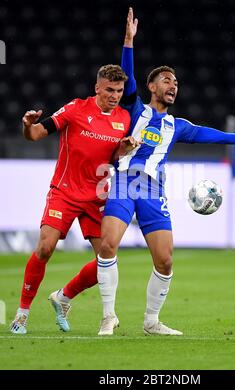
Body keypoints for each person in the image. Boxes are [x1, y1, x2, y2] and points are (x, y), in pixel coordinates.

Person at [52, 7, 235, 336]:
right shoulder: (134, 106)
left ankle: (151, 322)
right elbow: (128, 73)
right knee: (108, 247)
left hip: (152, 191)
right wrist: (128, 41)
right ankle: (108, 316)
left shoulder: (179, 126)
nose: (173, 85)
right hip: (121, 182)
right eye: (166, 80)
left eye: (176, 82)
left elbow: (218, 135)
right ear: (151, 86)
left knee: (165, 261)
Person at [10, 64, 140, 334]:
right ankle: (22, 314)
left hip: (97, 197)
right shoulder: (76, 109)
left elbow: (114, 157)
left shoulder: (124, 119)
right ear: (97, 88)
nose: (114, 95)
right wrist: (27, 126)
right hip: (65, 191)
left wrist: (123, 150)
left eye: (118, 91)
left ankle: (63, 296)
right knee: (45, 248)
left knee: (106, 259)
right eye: (109, 90)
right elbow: (35, 134)